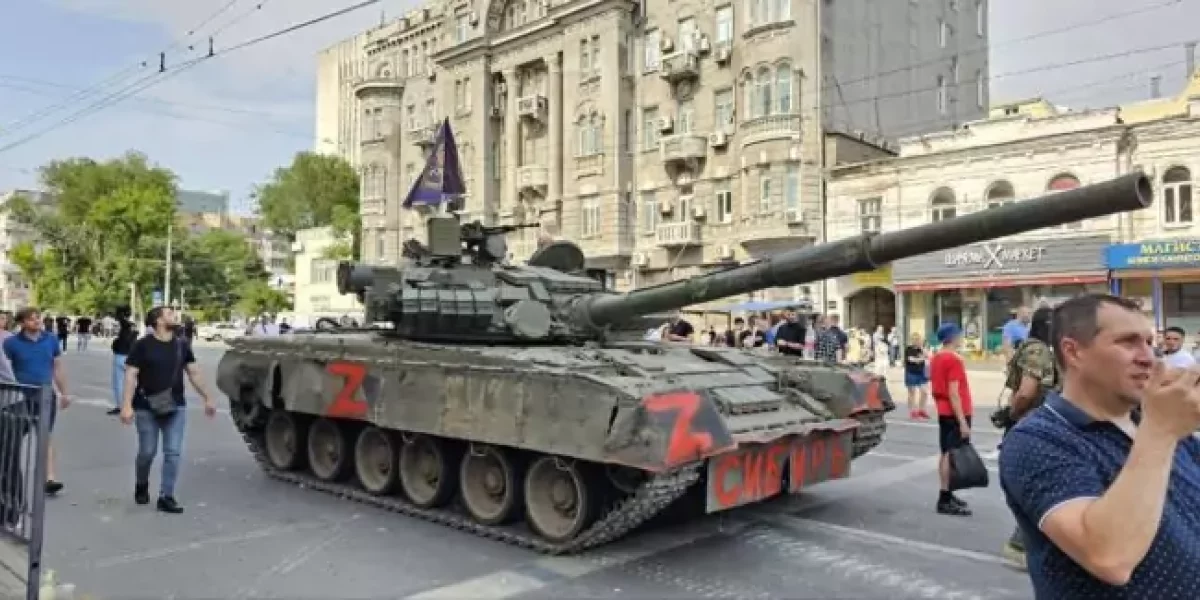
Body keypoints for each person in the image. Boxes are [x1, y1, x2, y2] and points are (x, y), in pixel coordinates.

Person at [1000, 294, 1200, 597]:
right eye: (1128, 342)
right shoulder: (1038, 439)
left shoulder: (1155, 421)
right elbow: (1110, 557)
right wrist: (1160, 431)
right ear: (1074, 352)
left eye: (1149, 342)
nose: (1148, 357)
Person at [119, 306, 218, 514]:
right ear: (158, 321)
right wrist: (126, 405)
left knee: (173, 452)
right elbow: (130, 374)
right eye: (170, 314)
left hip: (175, 406)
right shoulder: (142, 345)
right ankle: (141, 483)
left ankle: (166, 496)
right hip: (146, 406)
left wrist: (207, 397)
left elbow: (194, 373)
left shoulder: (181, 345)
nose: (175, 316)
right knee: (147, 452)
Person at [998, 306, 1058, 571]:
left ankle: (1026, 542)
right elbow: (1026, 391)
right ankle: (1021, 543)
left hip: (1035, 421)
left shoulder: (1037, 347)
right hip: (1032, 422)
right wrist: (1013, 414)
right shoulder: (1038, 350)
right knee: (1038, 482)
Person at [2, 307, 71, 495]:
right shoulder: (11, 343)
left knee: (45, 434)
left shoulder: (50, 339)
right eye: (31, 319)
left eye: (38, 317)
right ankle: (8, 474)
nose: (37, 321)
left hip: (45, 395)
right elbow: (5, 369)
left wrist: (65, 393)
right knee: (13, 437)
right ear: (22, 323)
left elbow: (57, 367)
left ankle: (50, 478)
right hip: (18, 398)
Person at [928, 322, 972, 517]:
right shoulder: (953, 360)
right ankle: (944, 498)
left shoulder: (936, 357)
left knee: (946, 453)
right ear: (952, 337)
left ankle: (947, 493)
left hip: (943, 411)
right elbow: (954, 392)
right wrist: (962, 421)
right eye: (959, 335)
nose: (961, 338)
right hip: (955, 412)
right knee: (951, 455)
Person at [109, 307, 138, 417]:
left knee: (118, 383)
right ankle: (131, 404)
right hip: (130, 356)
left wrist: (120, 313)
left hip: (120, 356)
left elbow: (122, 320)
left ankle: (121, 406)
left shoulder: (125, 327)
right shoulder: (133, 329)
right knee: (131, 382)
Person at [903, 332, 930, 420]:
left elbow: (928, 356)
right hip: (911, 373)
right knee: (912, 393)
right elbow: (912, 360)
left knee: (924, 392)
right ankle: (912, 411)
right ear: (912, 340)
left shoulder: (921, 349)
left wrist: (922, 349)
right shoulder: (908, 349)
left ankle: (921, 410)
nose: (918, 341)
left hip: (922, 373)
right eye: (916, 339)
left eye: (919, 339)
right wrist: (922, 358)